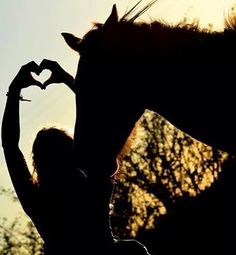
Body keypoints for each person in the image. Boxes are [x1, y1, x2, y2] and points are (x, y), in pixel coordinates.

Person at [2, 60, 151, 254]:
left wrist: (14, 90)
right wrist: (67, 79)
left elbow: (10, 147)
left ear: (37, 161)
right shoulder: (94, 181)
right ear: (73, 151)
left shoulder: (37, 201)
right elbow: (99, 121)